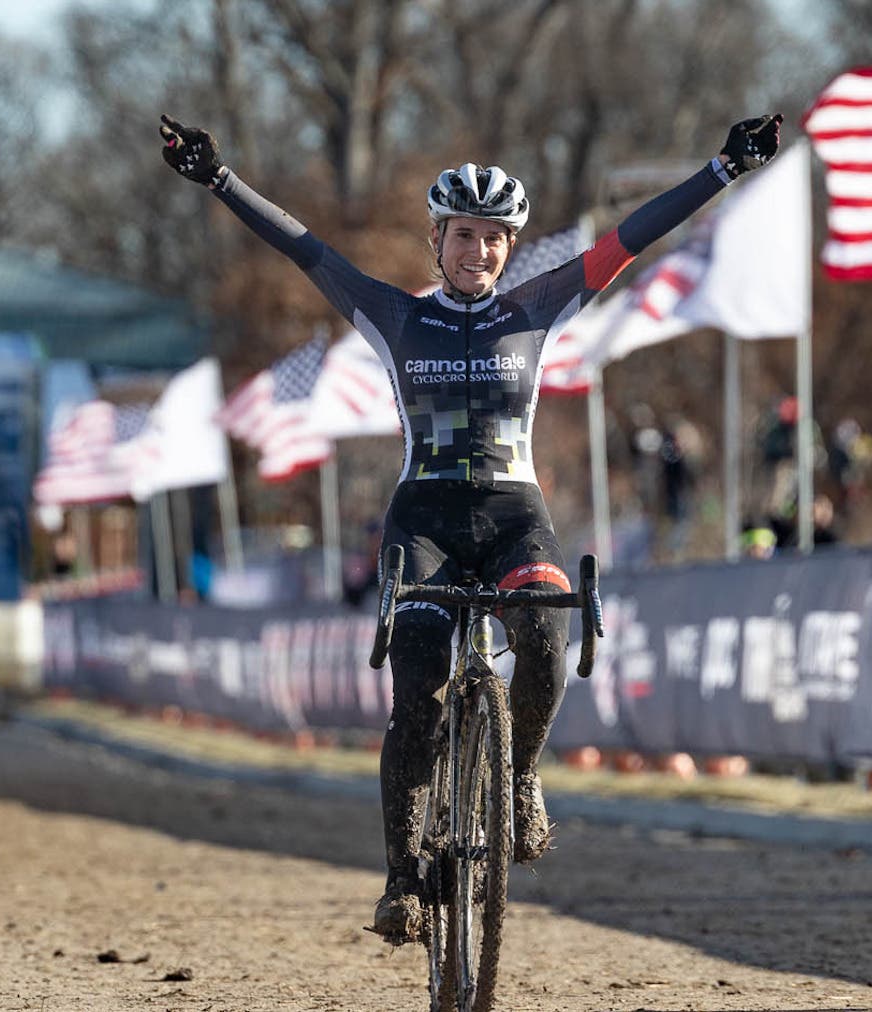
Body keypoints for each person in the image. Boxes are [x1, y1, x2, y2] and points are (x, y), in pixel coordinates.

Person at [160, 110, 782, 941]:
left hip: (514, 516)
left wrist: (724, 169)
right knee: (417, 685)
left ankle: (517, 777)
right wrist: (219, 178)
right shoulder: (394, 315)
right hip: (423, 520)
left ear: (509, 246)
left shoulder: (536, 305)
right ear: (437, 239)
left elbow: (631, 238)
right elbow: (305, 249)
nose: (479, 251)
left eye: (494, 238)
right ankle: (403, 880)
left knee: (546, 641)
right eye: (464, 235)